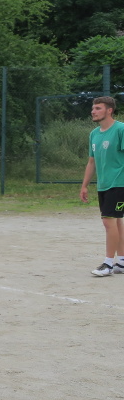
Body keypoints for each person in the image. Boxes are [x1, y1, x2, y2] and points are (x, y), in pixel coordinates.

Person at [80, 96, 124, 277]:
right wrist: (84, 186)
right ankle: (122, 262)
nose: (93, 111)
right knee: (116, 221)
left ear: (109, 110)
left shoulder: (121, 129)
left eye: (98, 108)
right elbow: (91, 162)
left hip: (119, 183)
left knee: (108, 220)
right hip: (103, 184)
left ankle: (108, 264)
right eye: (93, 108)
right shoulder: (94, 134)